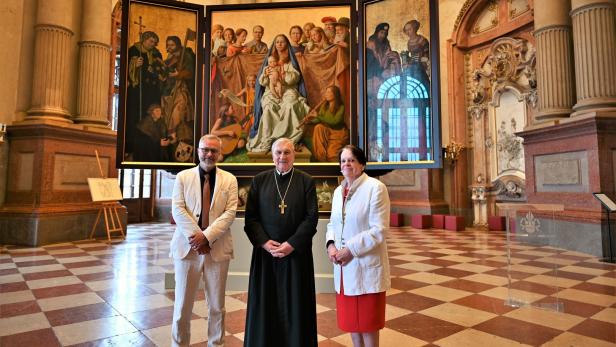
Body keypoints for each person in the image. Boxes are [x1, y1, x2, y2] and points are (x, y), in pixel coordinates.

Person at [243, 137, 319, 347]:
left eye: (287, 152)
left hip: (296, 255)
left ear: (294, 155)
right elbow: (251, 218)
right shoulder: (260, 181)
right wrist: (265, 243)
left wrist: (292, 244)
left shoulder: (306, 181)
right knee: (265, 305)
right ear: (272, 155)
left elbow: (311, 218)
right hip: (266, 256)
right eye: (278, 153)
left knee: (296, 306)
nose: (282, 157)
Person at [170, 134, 238, 347]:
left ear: (221, 153)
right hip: (187, 250)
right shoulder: (183, 177)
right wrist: (196, 237)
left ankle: (216, 344)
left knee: (217, 306)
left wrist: (206, 236)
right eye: (205, 149)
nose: (209, 154)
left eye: (214, 151)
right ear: (198, 151)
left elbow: (230, 212)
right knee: (182, 307)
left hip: (217, 250)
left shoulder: (230, 179)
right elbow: (178, 209)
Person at [326, 145, 391, 347]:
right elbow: (332, 223)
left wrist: (349, 249)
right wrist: (330, 245)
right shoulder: (338, 191)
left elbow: (379, 230)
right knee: (352, 323)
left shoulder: (375, 188)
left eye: (352, 160)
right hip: (344, 269)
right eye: (343, 161)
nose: (347, 164)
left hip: (365, 265)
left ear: (362, 164)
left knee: (368, 323)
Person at [246, 35, 311, 153]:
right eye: (277, 42)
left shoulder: (290, 61)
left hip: (288, 90)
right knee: (268, 108)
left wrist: (283, 75)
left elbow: (295, 78)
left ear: (286, 44)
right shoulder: (269, 61)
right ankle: (267, 140)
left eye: (282, 42)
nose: (280, 44)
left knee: (290, 104)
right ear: (274, 45)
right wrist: (266, 75)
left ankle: (289, 140)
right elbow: (262, 82)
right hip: (270, 91)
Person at [125, 31, 164, 160]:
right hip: (138, 91)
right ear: (144, 39)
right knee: (136, 116)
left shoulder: (156, 53)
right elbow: (127, 70)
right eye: (150, 41)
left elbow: (161, 68)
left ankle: (152, 148)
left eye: (154, 42)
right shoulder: (133, 50)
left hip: (152, 91)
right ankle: (134, 148)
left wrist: (157, 71)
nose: (152, 44)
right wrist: (135, 66)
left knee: (151, 117)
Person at [161, 36, 195, 159]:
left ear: (178, 45)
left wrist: (179, 74)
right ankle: (172, 139)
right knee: (167, 115)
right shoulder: (169, 59)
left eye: (172, 45)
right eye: (168, 44)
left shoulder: (185, 56)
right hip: (169, 91)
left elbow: (191, 72)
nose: (169, 47)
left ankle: (175, 135)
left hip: (181, 89)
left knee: (177, 112)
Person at [301, 86, 348, 162]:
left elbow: (334, 121)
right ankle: (320, 158)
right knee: (318, 127)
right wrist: (309, 121)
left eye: (329, 92)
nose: (326, 94)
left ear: (335, 94)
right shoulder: (324, 106)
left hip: (338, 133)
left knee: (332, 156)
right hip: (327, 131)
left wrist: (318, 116)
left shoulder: (341, 107)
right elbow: (319, 119)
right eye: (326, 92)